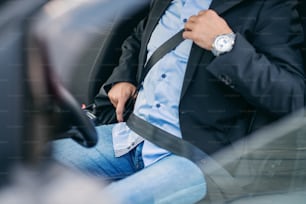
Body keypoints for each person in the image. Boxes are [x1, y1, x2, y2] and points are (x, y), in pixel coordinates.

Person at [52, 0, 305, 203]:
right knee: (27, 167)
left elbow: (292, 98)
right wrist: (123, 78)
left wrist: (224, 44)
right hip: (131, 135)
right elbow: (139, 37)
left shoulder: (270, 6)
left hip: (200, 155)